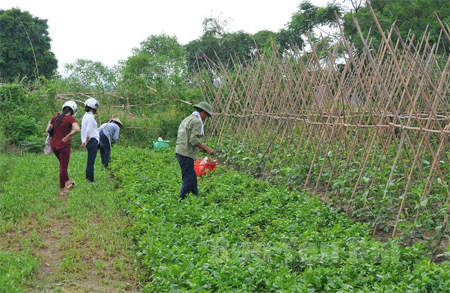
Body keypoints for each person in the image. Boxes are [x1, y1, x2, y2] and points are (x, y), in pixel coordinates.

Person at [175, 101, 216, 200]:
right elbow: (193, 140)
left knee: (192, 176)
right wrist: (208, 149)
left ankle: (195, 196)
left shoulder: (187, 119)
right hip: (186, 152)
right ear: (203, 112)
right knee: (188, 178)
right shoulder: (197, 121)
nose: (205, 118)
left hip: (179, 150)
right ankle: (181, 200)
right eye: (206, 115)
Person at [46, 101, 80, 196]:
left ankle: (68, 181)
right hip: (63, 146)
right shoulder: (70, 119)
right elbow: (77, 129)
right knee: (63, 167)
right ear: (73, 111)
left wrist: (52, 124)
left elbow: (47, 130)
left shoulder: (55, 117)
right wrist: (68, 136)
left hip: (54, 146)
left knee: (62, 164)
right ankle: (62, 189)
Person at [81, 98, 100, 182]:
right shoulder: (91, 117)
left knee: (90, 160)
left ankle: (89, 178)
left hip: (88, 141)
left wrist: (84, 141)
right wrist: (87, 141)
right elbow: (88, 131)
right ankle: (90, 180)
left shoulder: (85, 116)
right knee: (91, 161)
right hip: (92, 141)